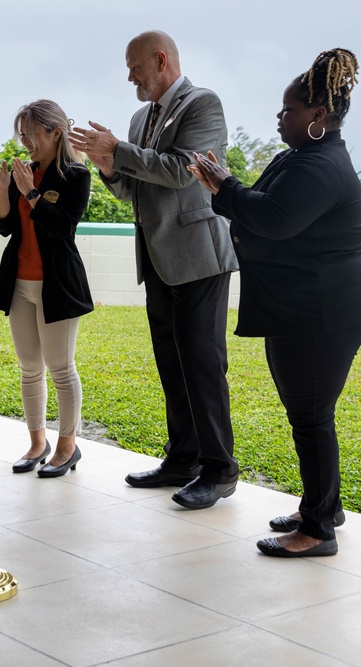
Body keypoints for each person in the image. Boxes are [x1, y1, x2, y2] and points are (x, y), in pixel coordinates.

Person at [189, 48, 361, 557]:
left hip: (323, 312)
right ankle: (323, 504)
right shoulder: (302, 158)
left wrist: (224, 186)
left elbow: (271, 219)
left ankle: (318, 529)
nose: (279, 118)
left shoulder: (320, 167)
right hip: (307, 306)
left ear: (318, 116)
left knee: (311, 415)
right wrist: (223, 186)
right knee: (312, 414)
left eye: (287, 110)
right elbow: (260, 207)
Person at [71, 31, 239, 508]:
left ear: (160, 60)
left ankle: (221, 470)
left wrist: (119, 151)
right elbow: (134, 189)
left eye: (135, 67)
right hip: (158, 259)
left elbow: (181, 168)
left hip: (200, 257)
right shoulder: (141, 116)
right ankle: (182, 459)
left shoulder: (203, 104)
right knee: (172, 361)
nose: (130, 78)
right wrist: (108, 166)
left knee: (202, 363)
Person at [0, 100, 93, 478]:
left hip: (57, 284)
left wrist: (31, 193)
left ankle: (67, 447)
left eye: (32, 133)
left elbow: (61, 228)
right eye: (22, 134)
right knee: (30, 367)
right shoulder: (23, 171)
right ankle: (36, 443)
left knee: (61, 368)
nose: (26, 141)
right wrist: (3, 190)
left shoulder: (75, 176)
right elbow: (7, 227)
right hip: (20, 284)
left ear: (55, 132)